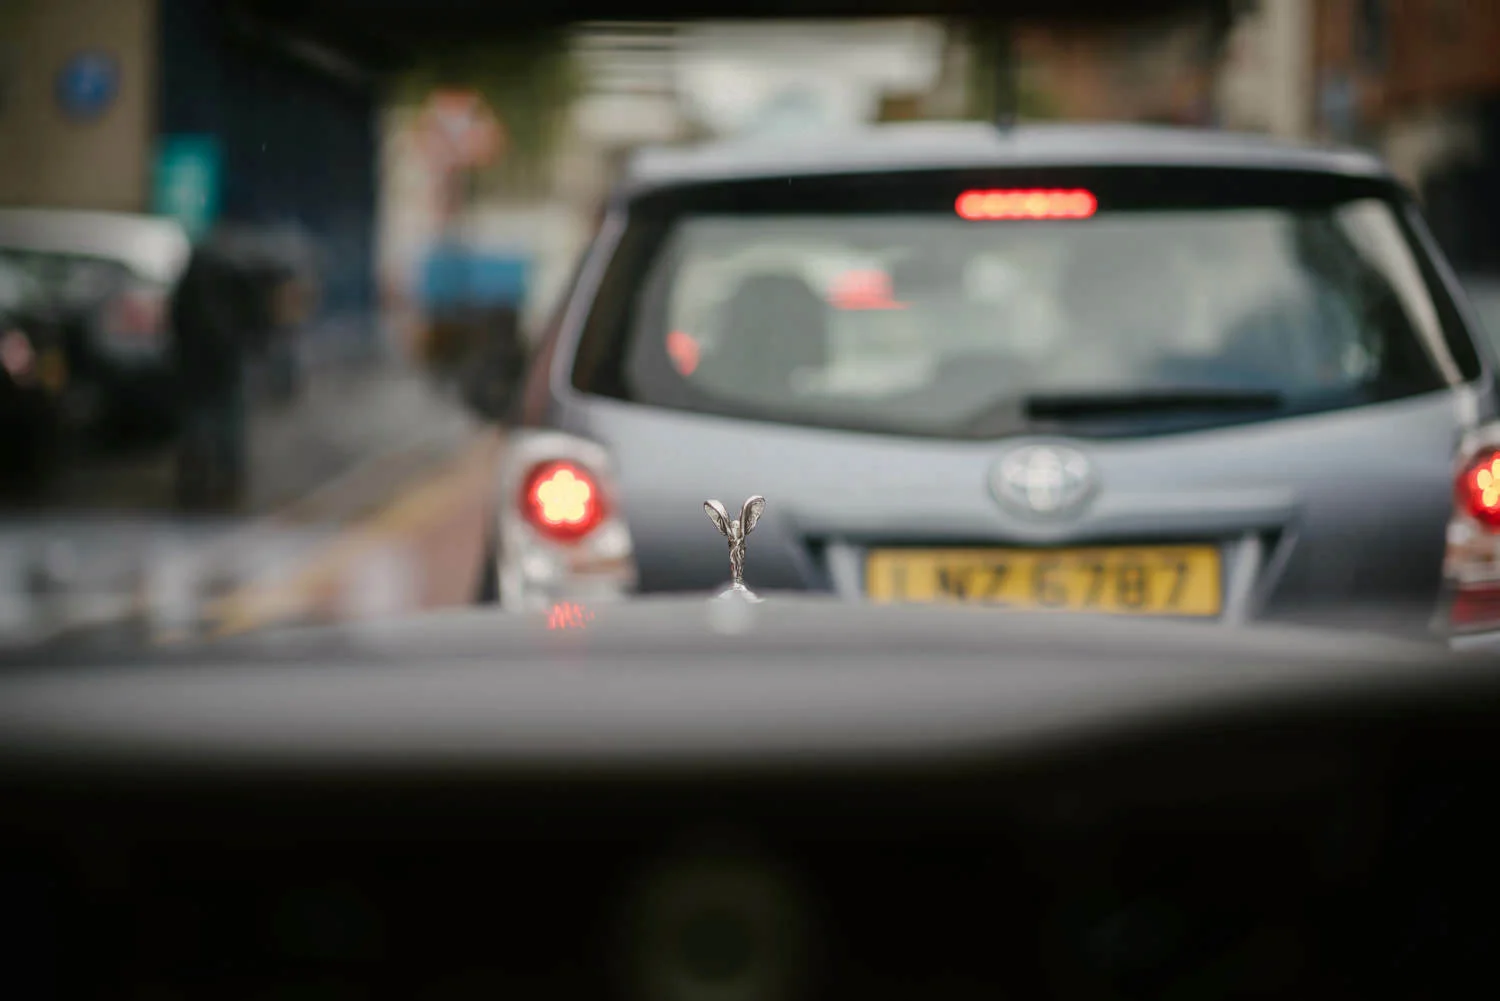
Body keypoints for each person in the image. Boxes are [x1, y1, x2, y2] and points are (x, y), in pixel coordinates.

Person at [168, 225, 273, 511]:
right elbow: (256, 314)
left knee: (199, 422)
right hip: (225, 360)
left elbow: (176, 317)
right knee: (227, 421)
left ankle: (195, 481)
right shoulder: (234, 273)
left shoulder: (193, 277)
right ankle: (228, 478)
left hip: (197, 363)